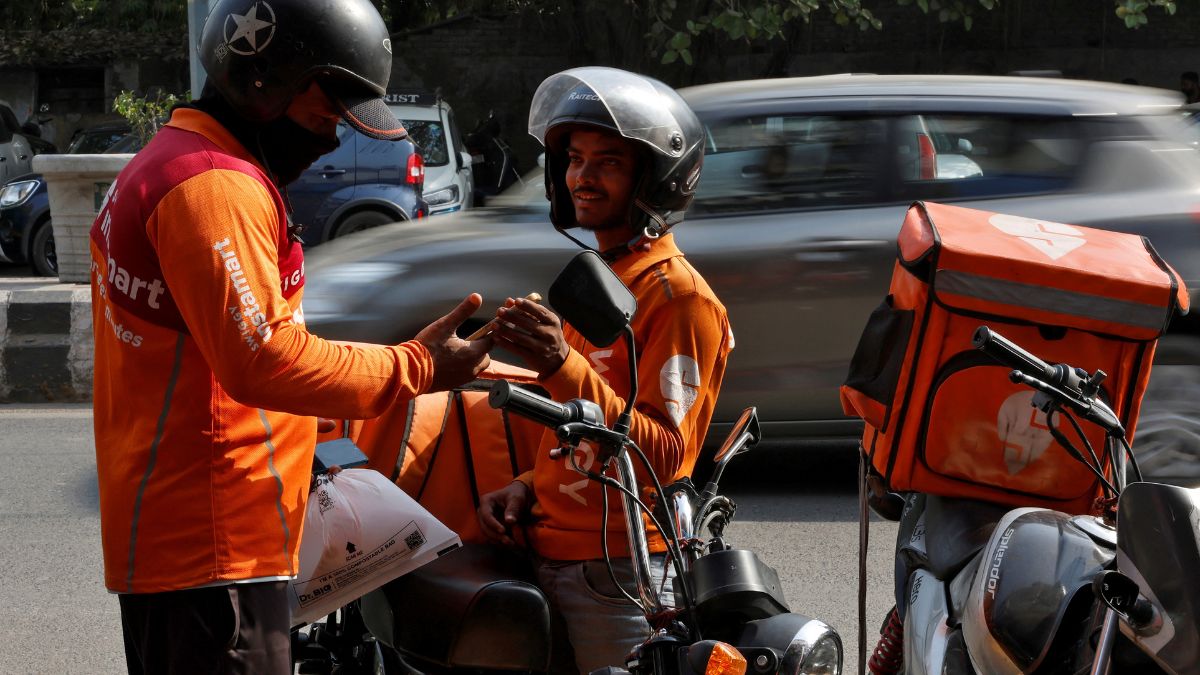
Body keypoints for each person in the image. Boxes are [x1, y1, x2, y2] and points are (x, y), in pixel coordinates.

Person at [88, 1, 491, 673]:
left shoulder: (172, 162)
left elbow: (211, 358)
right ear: (267, 81)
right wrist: (415, 365)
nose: (332, 136)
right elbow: (262, 357)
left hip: (193, 538)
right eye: (326, 113)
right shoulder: (213, 184)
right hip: (213, 551)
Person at [476, 67, 734, 672]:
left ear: (655, 179)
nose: (582, 178)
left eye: (608, 163)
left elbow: (666, 454)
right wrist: (526, 484)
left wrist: (560, 362)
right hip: (548, 549)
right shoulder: (604, 277)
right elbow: (580, 423)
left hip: (620, 573)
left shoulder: (678, 298)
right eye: (574, 159)